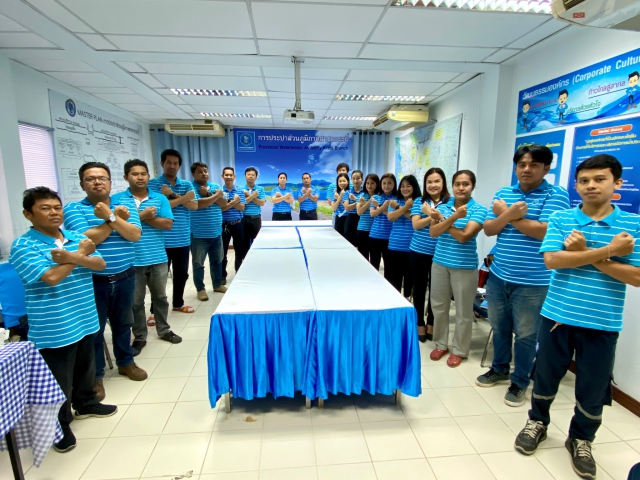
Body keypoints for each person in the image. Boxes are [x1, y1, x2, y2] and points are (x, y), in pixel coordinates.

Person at [515, 155, 640, 480]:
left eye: (600, 179)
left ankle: (581, 438)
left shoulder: (632, 226)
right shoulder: (562, 218)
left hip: (602, 322)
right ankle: (537, 422)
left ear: (617, 183)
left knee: (593, 387)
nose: (591, 186)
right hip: (557, 315)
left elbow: (637, 277)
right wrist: (609, 252)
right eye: (584, 180)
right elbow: (553, 260)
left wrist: (582, 253)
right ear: (576, 185)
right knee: (545, 377)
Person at [10, 187, 117, 453]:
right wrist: (79, 256)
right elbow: (51, 277)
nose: (54, 213)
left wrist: (71, 255)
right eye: (45, 208)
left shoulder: (75, 237)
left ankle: (86, 403)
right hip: (55, 324)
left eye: (57, 207)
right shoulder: (23, 245)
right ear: (28, 214)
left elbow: (100, 264)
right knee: (57, 380)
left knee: (85, 367)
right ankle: (59, 425)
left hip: (85, 315)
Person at [478, 145, 570, 407]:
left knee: (527, 335)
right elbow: (489, 229)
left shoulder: (556, 194)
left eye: (534, 165)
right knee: (499, 327)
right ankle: (499, 368)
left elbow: (544, 231)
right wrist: (510, 213)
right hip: (499, 275)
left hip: (534, 281)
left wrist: (506, 215)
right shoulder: (504, 193)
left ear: (546, 168)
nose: (526, 169)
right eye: (521, 164)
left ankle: (520, 382)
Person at [63, 162, 147, 402]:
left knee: (124, 323)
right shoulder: (73, 209)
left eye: (102, 178)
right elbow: (88, 241)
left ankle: (126, 362)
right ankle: (96, 376)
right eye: (90, 179)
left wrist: (109, 216)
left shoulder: (126, 204)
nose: (97, 182)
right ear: (82, 184)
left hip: (125, 276)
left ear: (111, 182)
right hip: (91, 280)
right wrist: (116, 220)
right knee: (94, 330)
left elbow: (134, 234)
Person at [113, 160, 182, 358]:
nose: (140, 177)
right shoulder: (116, 200)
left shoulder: (159, 198)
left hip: (158, 257)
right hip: (131, 259)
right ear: (126, 177)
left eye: (143, 174)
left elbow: (167, 224)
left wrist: (135, 218)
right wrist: (142, 215)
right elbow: (114, 225)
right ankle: (140, 336)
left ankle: (164, 330)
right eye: (135, 174)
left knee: (160, 297)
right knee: (135, 302)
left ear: (148, 177)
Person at [429, 170, 487, 368]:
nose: (461, 188)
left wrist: (445, 220)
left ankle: (459, 350)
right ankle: (441, 344)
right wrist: (453, 217)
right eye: (457, 184)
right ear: (452, 186)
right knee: (439, 306)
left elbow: (464, 236)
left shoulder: (479, 209)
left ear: (473, 186)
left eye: (466, 184)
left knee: (463, 310)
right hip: (440, 263)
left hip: (464, 266)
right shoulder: (443, 207)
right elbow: (433, 232)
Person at [148, 149, 197, 314]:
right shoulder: (153, 184)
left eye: (175, 163)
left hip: (182, 238)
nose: (172, 166)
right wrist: (183, 198)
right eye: (168, 162)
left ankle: (178, 303)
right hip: (160, 239)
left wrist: (172, 195)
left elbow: (194, 206)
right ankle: (155, 311)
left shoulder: (186, 184)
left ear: (179, 166)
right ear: (162, 163)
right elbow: (157, 207)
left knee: (181, 274)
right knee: (158, 278)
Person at [410, 168, 450, 343]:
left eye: (437, 181)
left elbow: (450, 223)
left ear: (443, 183)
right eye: (429, 182)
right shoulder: (419, 201)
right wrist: (433, 216)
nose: (433, 185)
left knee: (437, 291)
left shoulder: (450, 202)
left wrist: (430, 214)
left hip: (441, 253)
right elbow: (416, 225)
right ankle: (420, 322)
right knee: (419, 289)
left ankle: (432, 323)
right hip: (418, 251)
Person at [190, 162, 228, 299]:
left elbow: (224, 203)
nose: (204, 174)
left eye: (205, 171)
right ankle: (200, 289)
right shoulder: (190, 188)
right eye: (200, 171)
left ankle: (217, 285)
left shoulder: (215, 186)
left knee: (217, 261)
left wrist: (209, 193)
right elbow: (200, 204)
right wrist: (216, 196)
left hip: (216, 232)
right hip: (198, 234)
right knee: (198, 264)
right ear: (193, 174)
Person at [387, 175, 420, 300]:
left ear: (414, 187)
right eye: (402, 186)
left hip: (413, 247)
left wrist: (398, 208)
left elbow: (414, 219)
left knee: (409, 279)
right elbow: (391, 217)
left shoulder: (419, 202)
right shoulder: (395, 201)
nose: (405, 189)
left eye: (408, 186)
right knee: (395, 278)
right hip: (395, 245)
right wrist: (405, 207)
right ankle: (395, 303)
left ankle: (406, 301)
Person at [220, 167, 246, 283]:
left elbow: (242, 207)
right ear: (222, 176)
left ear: (234, 177)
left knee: (239, 251)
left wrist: (229, 203)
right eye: (226, 175)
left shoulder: (240, 191)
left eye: (231, 175)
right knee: (223, 252)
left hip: (237, 224)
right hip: (223, 225)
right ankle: (222, 276)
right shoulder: (219, 191)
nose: (229, 177)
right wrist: (235, 202)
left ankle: (238, 273)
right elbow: (221, 208)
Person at [370, 173, 397, 279]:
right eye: (384, 183)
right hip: (374, 235)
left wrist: (379, 207)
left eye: (389, 183)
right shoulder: (376, 197)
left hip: (390, 237)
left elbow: (393, 216)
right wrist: (383, 207)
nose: (386, 186)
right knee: (373, 264)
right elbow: (372, 214)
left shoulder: (396, 199)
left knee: (389, 266)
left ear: (394, 184)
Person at [355, 173, 380, 260]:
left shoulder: (379, 196)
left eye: (372, 183)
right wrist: (370, 201)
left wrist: (365, 203)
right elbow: (359, 212)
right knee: (363, 257)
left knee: (375, 257)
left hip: (376, 230)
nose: (369, 185)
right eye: (367, 183)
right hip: (362, 229)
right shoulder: (361, 196)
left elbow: (379, 211)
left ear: (377, 184)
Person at [242, 167, 266, 251]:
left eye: (253, 175)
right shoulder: (240, 189)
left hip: (256, 219)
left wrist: (248, 196)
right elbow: (241, 203)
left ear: (256, 177)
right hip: (243, 219)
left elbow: (262, 203)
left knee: (257, 243)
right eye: (248, 174)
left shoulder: (260, 189)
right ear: (245, 176)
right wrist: (253, 195)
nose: (250, 176)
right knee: (244, 243)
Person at [344, 170, 364, 246]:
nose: (355, 181)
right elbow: (347, 208)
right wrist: (359, 202)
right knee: (349, 243)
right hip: (351, 218)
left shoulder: (365, 192)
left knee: (361, 243)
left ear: (362, 179)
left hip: (363, 218)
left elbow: (368, 205)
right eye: (353, 178)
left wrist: (355, 199)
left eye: (358, 178)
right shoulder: (347, 192)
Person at [331, 173, 350, 237]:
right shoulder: (335, 192)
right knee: (338, 237)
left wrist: (339, 197)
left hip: (348, 218)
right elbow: (333, 208)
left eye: (344, 181)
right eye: (340, 181)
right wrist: (339, 197)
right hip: (338, 217)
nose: (342, 183)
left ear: (347, 181)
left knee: (347, 237)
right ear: (337, 182)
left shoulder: (350, 192)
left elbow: (346, 206)